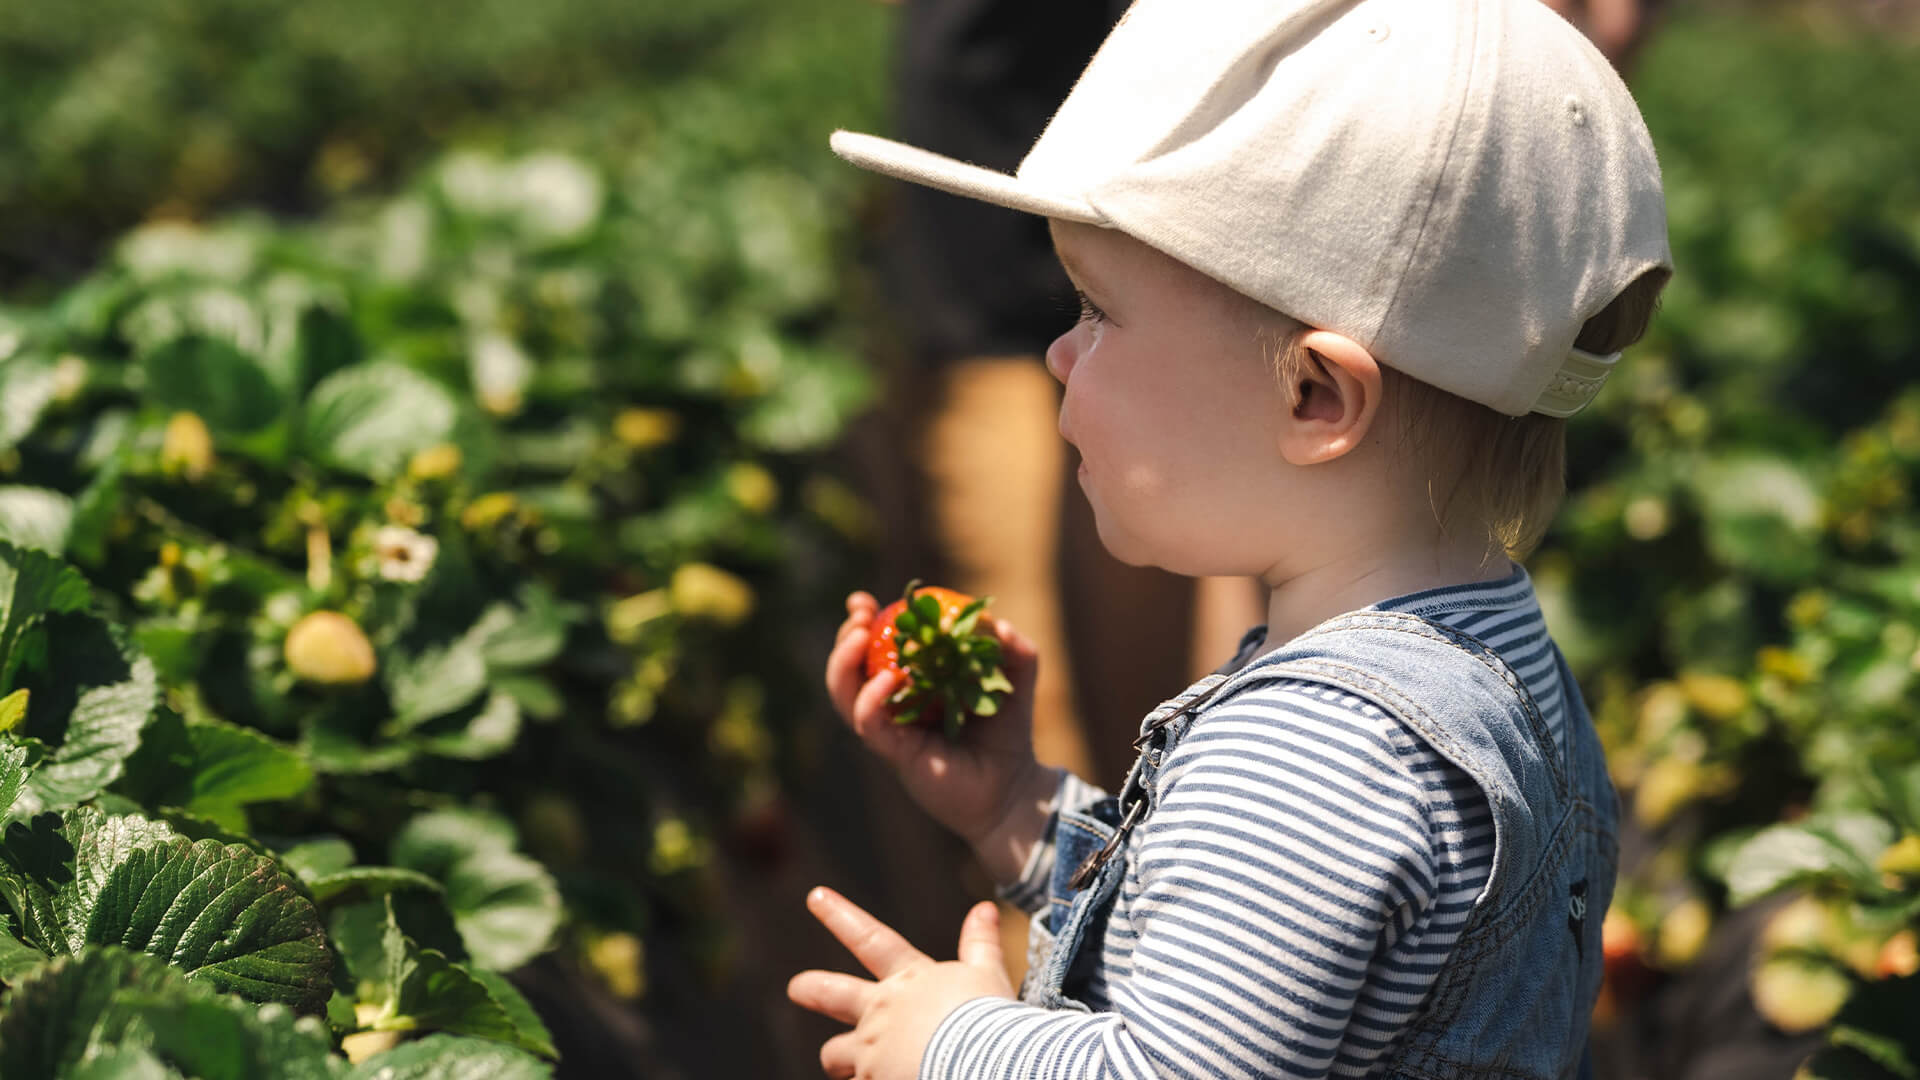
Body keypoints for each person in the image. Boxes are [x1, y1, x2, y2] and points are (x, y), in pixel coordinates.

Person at [792, 0, 1673, 1076]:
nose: (1063, 355)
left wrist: (954, 1040)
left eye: (1098, 309)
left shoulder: (1318, 748)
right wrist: (1020, 809)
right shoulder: (1501, 668)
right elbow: (1257, 968)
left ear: (1314, 396)